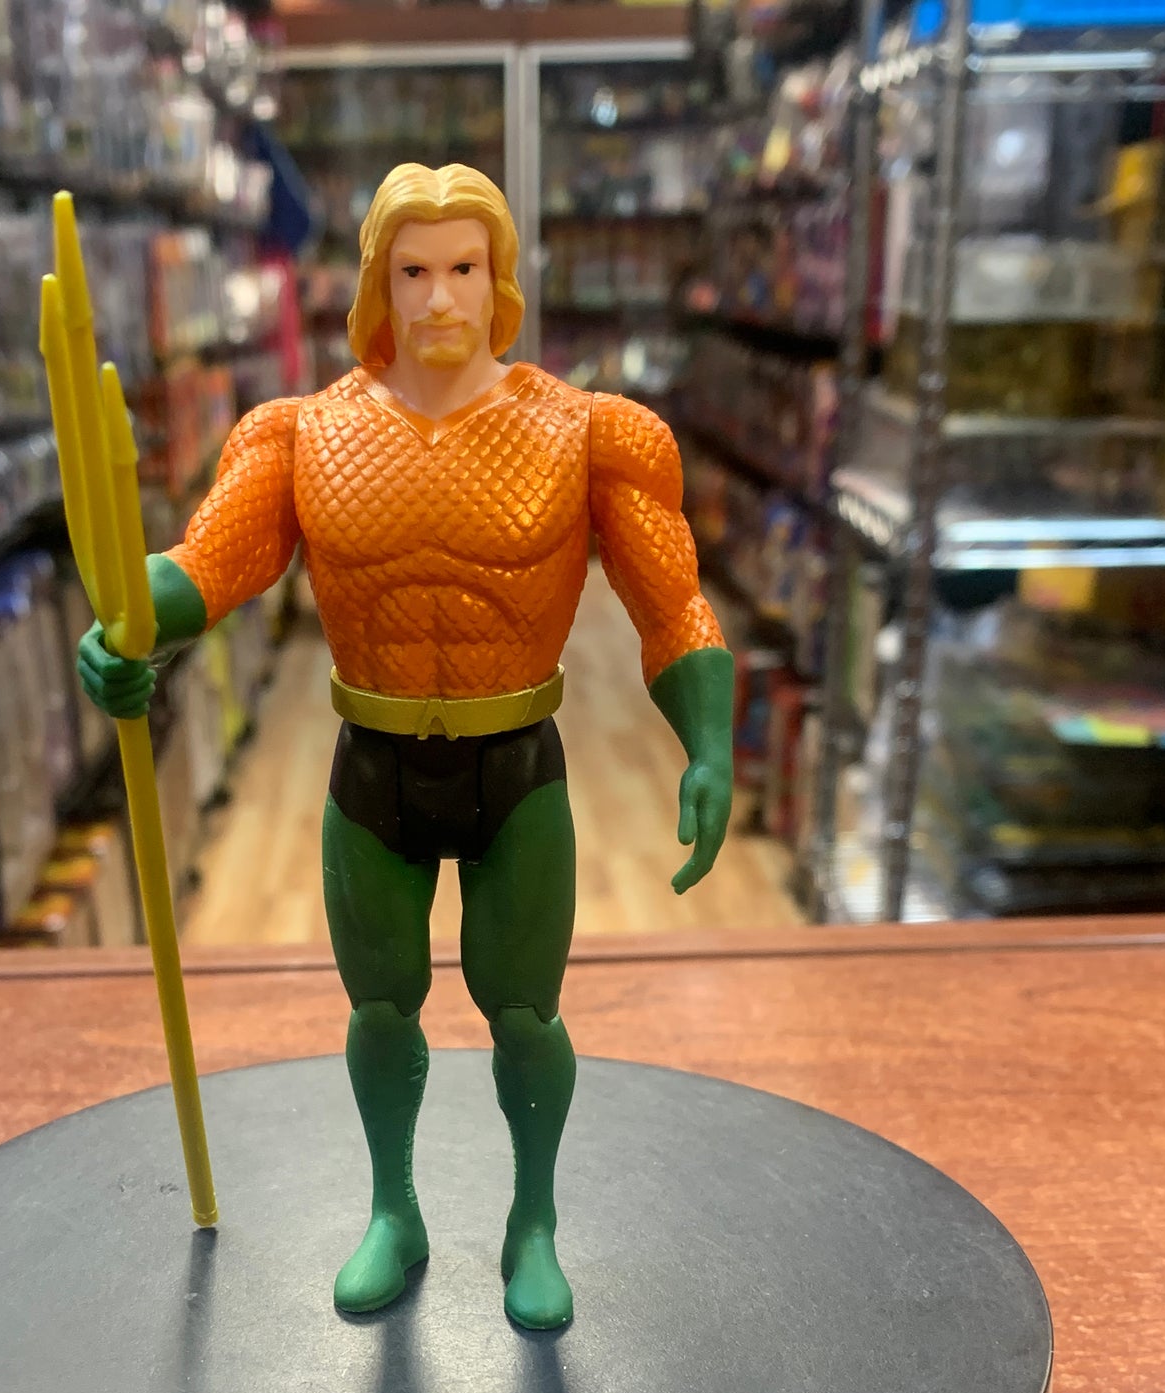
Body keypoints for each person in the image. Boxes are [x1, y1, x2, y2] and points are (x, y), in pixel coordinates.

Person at [77, 163, 734, 1331]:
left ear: (500, 279)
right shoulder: (303, 434)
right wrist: (134, 620)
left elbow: (671, 600)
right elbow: (212, 565)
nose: (439, 297)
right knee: (380, 1009)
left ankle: (533, 1222)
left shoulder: (587, 433)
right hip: (372, 762)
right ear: (378, 281)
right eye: (414, 269)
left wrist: (711, 742)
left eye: (463, 268)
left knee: (525, 1011)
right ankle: (394, 1208)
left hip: (514, 759)